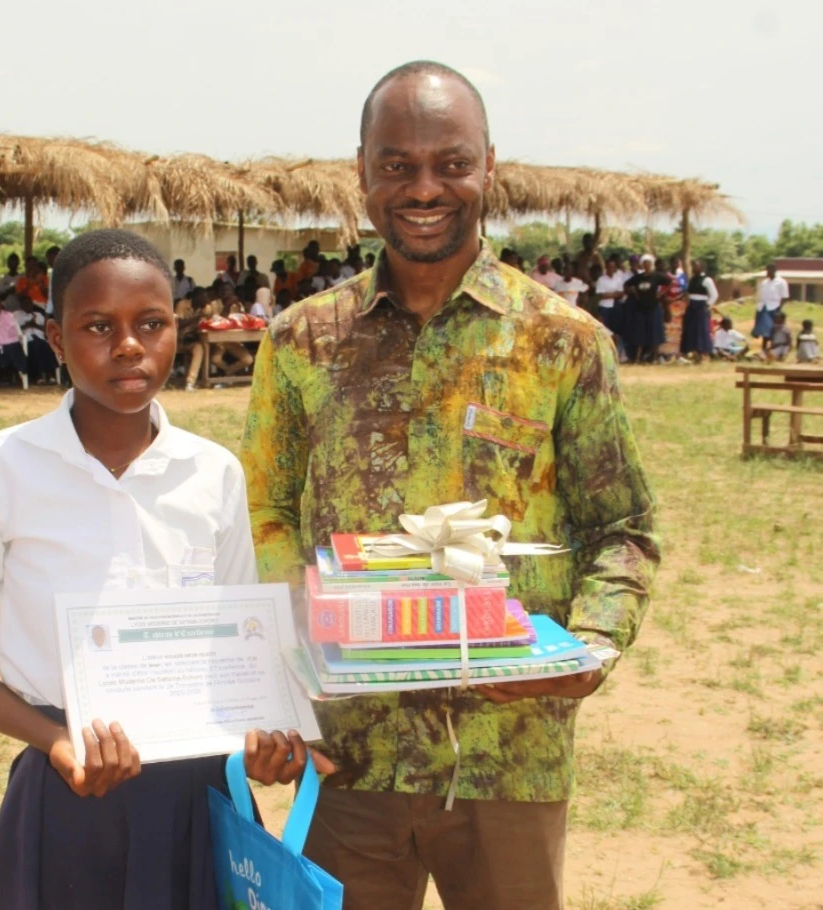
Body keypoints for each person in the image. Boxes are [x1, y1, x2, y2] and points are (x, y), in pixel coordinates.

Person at [241, 60, 658, 910]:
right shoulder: (300, 343)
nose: (424, 187)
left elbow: (624, 526)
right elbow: (266, 520)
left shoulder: (564, 342)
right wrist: (285, 678)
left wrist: (591, 651)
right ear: (361, 174)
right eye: (397, 164)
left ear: (489, 167)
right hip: (351, 758)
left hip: (513, 754)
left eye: (451, 162)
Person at [0, 228, 326, 910]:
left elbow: (241, 649)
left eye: (152, 324)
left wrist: (263, 741)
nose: (130, 346)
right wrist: (55, 740)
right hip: (68, 789)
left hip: (198, 794)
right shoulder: (0, 467)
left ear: (178, 328)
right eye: (98, 327)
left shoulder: (213, 472)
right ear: (55, 338)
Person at [622, 253, 671, 364]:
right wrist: (633, 292)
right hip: (640, 308)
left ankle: (654, 358)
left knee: (655, 333)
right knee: (640, 334)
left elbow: (670, 282)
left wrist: (661, 293)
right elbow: (626, 284)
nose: (646, 265)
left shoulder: (657, 276)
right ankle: (638, 358)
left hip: (654, 307)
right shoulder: (638, 277)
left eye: (648, 263)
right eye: (644, 263)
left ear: (652, 264)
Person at [680, 260, 718, 363]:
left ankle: (703, 352)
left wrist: (707, 305)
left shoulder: (707, 280)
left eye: (696, 266)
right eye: (693, 266)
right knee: (690, 328)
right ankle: (692, 352)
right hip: (691, 305)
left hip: (701, 306)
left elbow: (714, 294)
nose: (694, 268)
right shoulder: (692, 279)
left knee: (701, 329)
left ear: (702, 267)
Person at [14, 297, 59, 383]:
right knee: (36, 347)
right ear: (21, 305)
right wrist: (28, 324)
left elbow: (46, 329)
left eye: (29, 304)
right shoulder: (17, 315)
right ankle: (41, 374)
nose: (28, 306)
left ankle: (50, 374)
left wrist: (35, 325)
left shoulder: (38, 315)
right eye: (25, 304)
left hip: (40, 338)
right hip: (27, 340)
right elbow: (16, 329)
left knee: (46, 347)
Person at [753, 263, 789, 355]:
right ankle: (763, 349)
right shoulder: (764, 282)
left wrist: (779, 309)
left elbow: (785, 297)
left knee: (773, 329)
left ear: (774, 271)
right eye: (767, 271)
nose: (767, 273)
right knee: (764, 329)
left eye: (769, 271)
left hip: (774, 307)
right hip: (764, 307)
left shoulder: (781, 282)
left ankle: (773, 349)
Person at [594, 256, 625, 337]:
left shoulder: (618, 279)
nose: (611, 269)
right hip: (604, 307)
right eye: (609, 267)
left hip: (615, 306)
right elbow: (601, 295)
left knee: (615, 328)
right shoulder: (601, 279)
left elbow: (621, 293)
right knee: (605, 329)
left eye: (613, 267)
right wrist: (614, 294)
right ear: (606, 267)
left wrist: (609, 294)